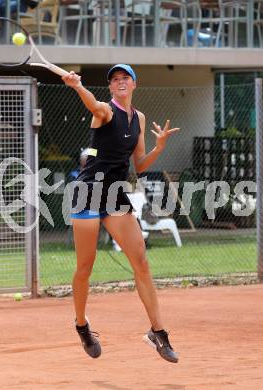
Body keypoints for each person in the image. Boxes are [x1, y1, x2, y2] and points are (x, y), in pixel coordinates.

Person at [61, 64, 180, 363]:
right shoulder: (104, 111)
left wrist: (159, 147)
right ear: (111, 88)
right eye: (115, 80)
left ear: (134, 84)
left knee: (141, 261)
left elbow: (139, 165)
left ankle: (158, 333)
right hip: (88, 191)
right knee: (85, 267)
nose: (120, 81)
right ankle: (81, 325)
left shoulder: (138, 118)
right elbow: (93, 103)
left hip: (115, 193)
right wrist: (76, 86)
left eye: (125, 77)